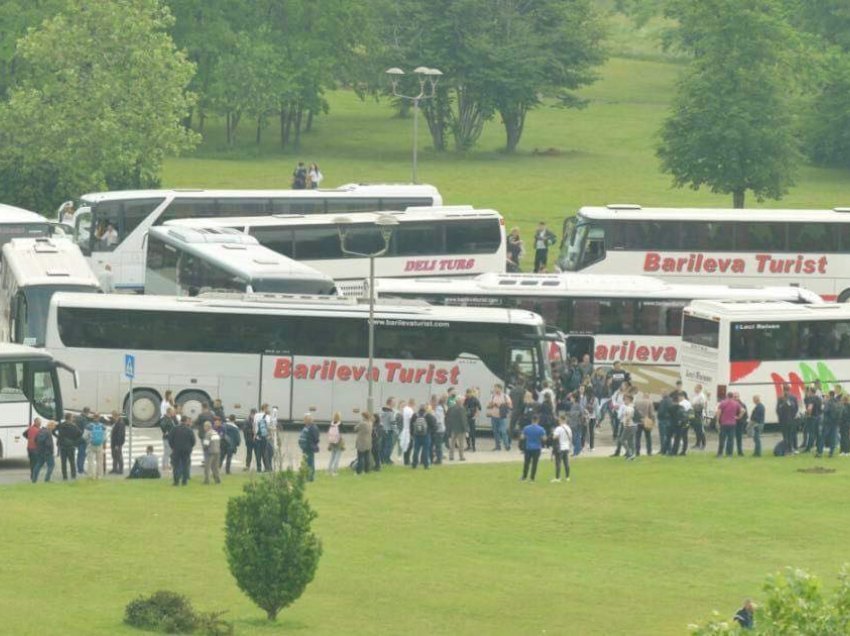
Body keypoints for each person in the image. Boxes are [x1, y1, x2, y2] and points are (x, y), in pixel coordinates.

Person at [168, 416, 196, 486]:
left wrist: (173, 447)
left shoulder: (175, 429)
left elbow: (170, 439)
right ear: (186, 421)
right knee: (185, 465)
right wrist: (189, 447)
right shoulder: (189, 430)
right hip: (186, 450)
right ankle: (184, 481)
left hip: (176, 449)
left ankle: (176, 481)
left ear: (180, 421)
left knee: (176, 465)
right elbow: (193, 441)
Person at [520, 415, 546, 481]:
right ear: (538, 420)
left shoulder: (526, 428)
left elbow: (522, 437)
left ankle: (524, 476)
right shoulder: (541, 429)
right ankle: (532, 477)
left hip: (528, 447)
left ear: (532, 420)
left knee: (526, 463)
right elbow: (544, 438)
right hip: (537, 448)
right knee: (535, 463)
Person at [716, 393, 743, 457]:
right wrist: (738, 417)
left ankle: (720, 453)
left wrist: (717, 421)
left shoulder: (723, 403)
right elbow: (743, 410)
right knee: (730, 439)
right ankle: (729, 454)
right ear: (732, 396)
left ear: (727, 396)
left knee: (722, 439)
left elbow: (718, 412)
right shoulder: (736, 403)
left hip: (724, 423)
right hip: (732, 423)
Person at [487, 383, 512, 451]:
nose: (495, 389)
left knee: (503, 431)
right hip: (494, 416)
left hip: (502, 416)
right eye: (494, 388)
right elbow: (488, 405)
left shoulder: (505, 396)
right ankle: (497, 446)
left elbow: (510, 406)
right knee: (495, 432)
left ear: (500, 388)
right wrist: (491, 405)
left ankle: (507, 445)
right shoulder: (493, 396)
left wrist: (500, 405)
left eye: (496, 388)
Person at [57, 412, 81, 480]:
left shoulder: (61, 425)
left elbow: (54, 430)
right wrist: (74, 440)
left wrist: (58, 437)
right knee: (72, 461)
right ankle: (73, 475)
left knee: (63, 462)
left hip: (62, 446)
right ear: (70, 418)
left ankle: (65, 476)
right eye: (72, 417)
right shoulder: (74, 426)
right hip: (71, 445)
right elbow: (80, 434)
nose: (73, 418)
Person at [776, 384, 799, 455]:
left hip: (789, 420)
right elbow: (778, 409)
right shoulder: (780, 398)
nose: (786, 392)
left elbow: (796, 408)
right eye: (785, 390)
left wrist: (792, 415)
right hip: (785, 420)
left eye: (787, 390)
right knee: (786, 435)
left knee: (790, 435)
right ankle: (787, 449)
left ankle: (791, 448)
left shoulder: (793, 398)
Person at [410, 405, 434, 470]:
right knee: (425, 450)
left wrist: (412, 434)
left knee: (416, 450)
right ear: (425, 409)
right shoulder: (428, 416)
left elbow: (411, 425)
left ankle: (414, 464)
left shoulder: (415, 415)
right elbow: (433, 425)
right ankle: (426, 465)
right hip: (426, 435)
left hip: (417, 435)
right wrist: (430, 432)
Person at [298, 413, 320, 482]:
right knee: (306, 463)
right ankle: (306, 476)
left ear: (308, 420)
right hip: (305, 448)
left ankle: (310, 477)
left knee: (310, 463)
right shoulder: (306, 427)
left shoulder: (313, 427)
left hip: (309, 448)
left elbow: (316, 438)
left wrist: (311, 444)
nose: (304, 421)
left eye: (305, 419)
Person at [551, 416, 573, 483]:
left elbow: (554, 437)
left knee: (558, 463)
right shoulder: (569, 428)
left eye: (559, 420)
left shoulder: (559, 428)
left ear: (561, 420)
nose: (558, 421)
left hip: (560, 447)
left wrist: (552, 433)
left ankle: (558, 478)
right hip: (566, 447)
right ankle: (567, 477)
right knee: (566, 463)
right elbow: (571, 438)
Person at [446, 396, 468, 461]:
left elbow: (448, 418)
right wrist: (466, 429)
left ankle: (451, 456)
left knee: (452, 443)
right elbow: (463, 420)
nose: (464, 401)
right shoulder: (462, 408)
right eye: (463, 400)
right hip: (461, 429)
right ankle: (461, 456)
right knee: (461, 443)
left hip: (453, 428)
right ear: (460, 401)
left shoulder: (451, 408)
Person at [634, 391, 655, 456]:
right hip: (646, 421)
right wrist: (653, 421)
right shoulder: (649, 402)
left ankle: (637, 451)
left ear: (643, 396)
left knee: (637, 437)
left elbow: (634, 412)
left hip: (639, 422)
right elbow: (651, 413)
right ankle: (649, 452)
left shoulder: (636, 402)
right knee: (648, 437)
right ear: (648, 396)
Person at [201, 421, 221, 485]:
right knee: (215, 467)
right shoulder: (215, 432)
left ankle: (207, 480)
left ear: (207, 427)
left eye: (204, 426)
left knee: (207, 467)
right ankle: (217, 479)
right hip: (217, 451)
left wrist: (204, 449)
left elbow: (206, 444)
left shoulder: (208, 434)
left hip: (210, 452)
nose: (204, 428)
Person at [159, 406, 178, 473]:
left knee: (170, 452)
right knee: (167, 452)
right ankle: (165, 466)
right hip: (167, 438)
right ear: (170, 412)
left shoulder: (172, 418)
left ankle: (169, 465)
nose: (174, 413)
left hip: (172, 438)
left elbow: (176, 424)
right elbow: (162, 425)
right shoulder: (165, 419)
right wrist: (165, 431)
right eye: (173, 412)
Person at [380, 398, 398, 465]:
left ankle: (381, 459)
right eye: (394, 402)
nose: (395, 403)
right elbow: (393, 422)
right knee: (388, 446)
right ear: (390, 402)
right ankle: (387, 459)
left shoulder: (381, 410)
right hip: (389, 430)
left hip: (382, 430)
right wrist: (396, 430)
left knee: (382, 445)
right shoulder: (390, 412)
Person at [108, 411, 126, 475]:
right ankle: (114, 468)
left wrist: (117, 444)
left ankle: (120, 469)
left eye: (113, 416)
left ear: (116, 416)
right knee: (114, 456)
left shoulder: (120, 423)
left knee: (118, 456)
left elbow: (120, 434)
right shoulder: (116, 422)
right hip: (114, 442)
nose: (112, 417)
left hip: (117, 443)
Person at [690, 384, 707, 449]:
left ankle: (703, 444)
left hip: (699, 414)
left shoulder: (701, 396)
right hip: (694, 413)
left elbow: (702, 405)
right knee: (696, 429)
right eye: (695, 388)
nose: (695, 389)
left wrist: (695, 407)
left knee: (701, 430)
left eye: (696, 388)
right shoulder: (695, 395)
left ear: (699, 389)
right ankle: (697, 444)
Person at [327, 411, 344, 476]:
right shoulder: (340, 424)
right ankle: (334, 471)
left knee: (332, 456)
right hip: (338, 441)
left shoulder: (331, 423)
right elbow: (345, 431)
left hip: (332, 441)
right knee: (337, 456)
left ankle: (329, 470)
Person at [401, 398, 414, 465]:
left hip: (405, 429)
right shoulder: (410, 410)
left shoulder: (405, 409)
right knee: (409, 445)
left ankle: (406, 460)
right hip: (409, 430)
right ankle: (407, 460)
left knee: (406, 445)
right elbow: (411, 420)